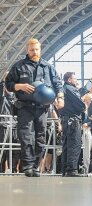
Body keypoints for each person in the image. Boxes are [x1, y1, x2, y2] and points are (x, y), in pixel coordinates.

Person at [5, 38, 64, 177]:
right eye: (31, 50)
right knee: (26, 136)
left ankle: (36, 165)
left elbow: (58, 84)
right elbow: (8, 84)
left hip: (42, 108)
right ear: (27, 50)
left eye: (36, 49)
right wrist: (19, 86)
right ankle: (28, 166)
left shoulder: (48, 67)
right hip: (24, 107)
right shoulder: (19, 66)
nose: (34, 52)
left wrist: (60, 97)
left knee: (40, 137)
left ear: (40, 49)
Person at [59, 72, 90, 177]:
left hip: (67, 120)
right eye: (74, 78)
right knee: (74, 144)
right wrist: (84, 107)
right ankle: (72, 170)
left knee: (67, 145)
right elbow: (79, 102)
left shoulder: (65, 89)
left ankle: (65, 169)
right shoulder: (70, 89)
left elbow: (81, 92)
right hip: (73, 120)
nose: (76, 80)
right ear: (69, 79)